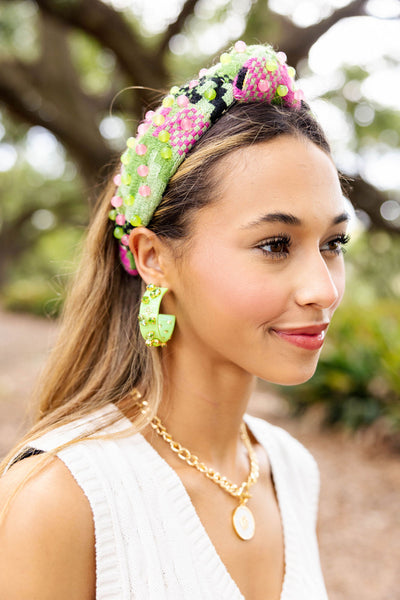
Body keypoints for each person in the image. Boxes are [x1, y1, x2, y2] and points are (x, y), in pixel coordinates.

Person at [0, 41, 350, 599]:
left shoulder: (291, 470)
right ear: (153, 258)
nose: (323, 290)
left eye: (334, 242)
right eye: (275, 244)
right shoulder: (61, 499)